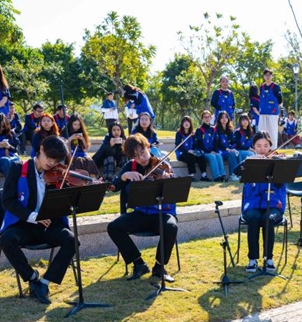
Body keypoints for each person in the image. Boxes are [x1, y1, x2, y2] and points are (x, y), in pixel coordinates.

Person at [0, 135, 76, 305]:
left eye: (56, 160)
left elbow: (65, 205)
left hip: (49, 226)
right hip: (24, 225)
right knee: (6, 239)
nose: (52, 163)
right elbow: (8, 201)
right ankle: (32, 277)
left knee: (71, 241)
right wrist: (34, 217)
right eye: (49, 157)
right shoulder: (18, 168)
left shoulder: (57, 174)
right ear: (41, 149)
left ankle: (44, 282)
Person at [107, 133, 178, 282]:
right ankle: (138, 263)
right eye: (136, 156)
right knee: (114, 227)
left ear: (148, 147)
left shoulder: (162, 164)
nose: (141, 158)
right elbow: (113, 186)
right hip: (141, 214)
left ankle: (159, 267)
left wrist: (168, 181)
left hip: (162, 213)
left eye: (143, 153)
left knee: (171, 227)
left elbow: (176, 187)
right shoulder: (131, 166)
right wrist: (124, 176)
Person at [234, 131, 285, 274]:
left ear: (270, 146)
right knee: (254, 218)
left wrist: (278, 166)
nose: (263, 149)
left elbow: (281, 185)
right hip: (253, 204)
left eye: (266, 145)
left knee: (268, 219)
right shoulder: (250, 162)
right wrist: (250, 161)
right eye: (259, 146)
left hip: (274, 204)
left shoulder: (276, 162)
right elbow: (236, 171)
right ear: (253, 147)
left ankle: (269, 258)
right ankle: (253, 259)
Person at [63, 113, 100, 178]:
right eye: (75, 124)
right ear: (71, 124)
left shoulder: (81, 131)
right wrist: (70, 139)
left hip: (81, 153)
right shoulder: (65, 131)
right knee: (78, 160)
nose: (77, 127)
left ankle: (92, 179)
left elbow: (85, 148)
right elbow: (64, 146)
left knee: (89, 160)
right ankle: (79, 179)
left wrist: (82, 139)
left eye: (79, 124)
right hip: (70, 153)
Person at [193, 110, 225, 181]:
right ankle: (216, 176)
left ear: (211, 118)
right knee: (212, 157)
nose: (207, 119)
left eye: (208, 117)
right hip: (203, 151)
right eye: (205, 117)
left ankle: (223, 175)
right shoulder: (199, 130)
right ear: (202, 119)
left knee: (218, 155)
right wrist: (209, 151)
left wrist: (214, 150)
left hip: (211, 151)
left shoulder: (213, 129)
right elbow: (200, 143)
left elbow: (216, 142)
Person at [173, 116, 207, 182]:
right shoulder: (179, 133)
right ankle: (191, 175)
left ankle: (204, 175)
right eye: (184, 121)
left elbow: (195, 144)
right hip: (182, 154)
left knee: (201, 156)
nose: (186, 123)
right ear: (182, 124)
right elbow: (178, 146)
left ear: (190, 123)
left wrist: (195, 151)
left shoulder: (193, 134)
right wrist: (188, 151)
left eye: (188, 121)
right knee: (190, 157)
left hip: (192, 152)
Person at [258, 69, 283, 150]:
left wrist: (276, 110)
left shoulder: (276, 87)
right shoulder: (261, 87)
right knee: (261, 132)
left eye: (269, 75)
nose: (268, 77)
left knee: (272, 131)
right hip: (262, 113)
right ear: (264, 76)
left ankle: (273, 149)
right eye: (266, 75)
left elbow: (280, 100)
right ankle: (261, 148)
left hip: (272, 113)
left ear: (272, 76)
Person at [214, 111, 241, 181]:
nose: (224, 119)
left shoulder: (230, 130)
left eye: (226, 117)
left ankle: (239, 174)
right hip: (220, 151)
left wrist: (232, 148)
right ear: (219, 119)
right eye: (222, 117)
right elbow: (217, 143)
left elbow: (233, 142)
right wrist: (227, 149)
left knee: (237, 153)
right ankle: (232, 175)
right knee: (231, 154)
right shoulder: (216, 130)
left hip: (229, 149)